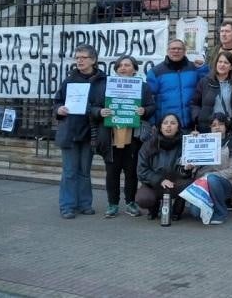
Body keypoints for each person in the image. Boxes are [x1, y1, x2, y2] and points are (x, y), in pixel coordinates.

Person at [97, 55, 156, 218]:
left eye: (127, 65)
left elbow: (152, 106)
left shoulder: (143, 87)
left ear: (135, 69)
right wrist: (100, 111)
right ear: (116, 70)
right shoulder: (106, 86)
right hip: (111, 137)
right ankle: (112, 204)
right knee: (112, 173)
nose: (123, 68)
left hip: (133, 137)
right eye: (120, 65)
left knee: (131, 173)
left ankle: (130, 203)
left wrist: (144, 110)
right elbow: (93, 107)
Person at [54, 44, 107, 219]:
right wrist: (59, 109)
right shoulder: (69, 80)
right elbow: (57, 102)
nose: (79, 61)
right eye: (77, 58)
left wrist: (99, 111)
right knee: (70, 172)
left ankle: (85, 204)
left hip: (90, 132)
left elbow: (106, 103)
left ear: (93, 60)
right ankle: (67, 206)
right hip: (70, 131)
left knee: (85, 171)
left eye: (83, 57)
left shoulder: (104, 81)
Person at [190, 51, 232, 196]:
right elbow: (195, 103)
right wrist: (198, 117)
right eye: (220, 62)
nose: (222, 65)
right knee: (210, 159)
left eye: (226, 63)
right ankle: (206, 189)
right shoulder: (205, 81)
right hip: (210, 126)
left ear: (231, 66)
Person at [186, 113, 232, 225]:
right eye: (213, 125)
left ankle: (221, 213)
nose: (217, 127)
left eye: (221, 124)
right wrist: (192, 142)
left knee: (212, 179)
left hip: (226, 183)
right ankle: (212, 204)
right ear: (210, 128)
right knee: (195, 213)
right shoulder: (203, 141)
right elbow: (191, 162)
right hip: (202, 184)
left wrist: (210, 176)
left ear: (226, 126)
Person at [136, 113, 191, 220]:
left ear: (178, 127)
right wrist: (160, 180)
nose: (168, 126)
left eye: (173, 123)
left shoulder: (185, 144)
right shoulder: (148, 144)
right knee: (143, 198)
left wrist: (186, 169)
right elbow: (142, 171)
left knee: (190, 184)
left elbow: (185, 174)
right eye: (165, 123)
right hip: (154, 184)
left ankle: (177, 210)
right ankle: (153, 208)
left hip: (175, 182)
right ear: (160, 127)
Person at [146, 39, 208, 131]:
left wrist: (203, 68)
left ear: (185, 51)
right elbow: (149, 99)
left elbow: (207, 87)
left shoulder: (195, 68)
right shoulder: (156, 72)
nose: (176, 51)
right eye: (173, 49)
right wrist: (152, 123)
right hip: (167, 126)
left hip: (192, 125)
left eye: (179, 49)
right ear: (167, 51)